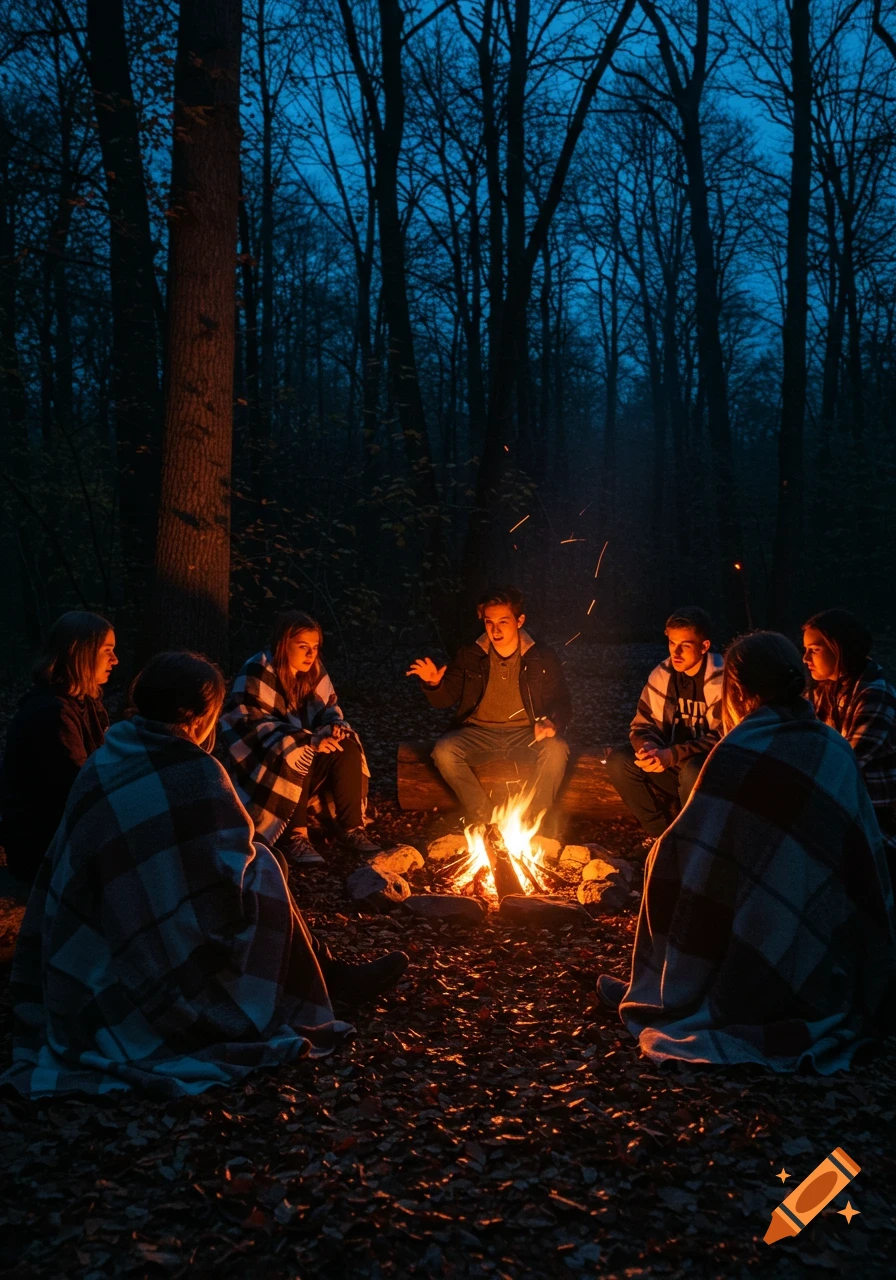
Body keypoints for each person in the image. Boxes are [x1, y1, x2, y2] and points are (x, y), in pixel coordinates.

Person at [0, 651, 408, 1100]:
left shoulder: (108, 757)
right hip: (144, 942)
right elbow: (228, 869)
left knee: (266, 862)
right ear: (198, 717)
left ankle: (329, 971)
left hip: (89, 943)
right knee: (268, 867)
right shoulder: (195, 771)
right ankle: (327, 978)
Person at [596, 631, 896, 1073]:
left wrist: (660, 853)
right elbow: (865, 860)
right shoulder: (834, 746)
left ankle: (670, 988)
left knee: (670, 862)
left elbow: (690, 852)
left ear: (736, 692)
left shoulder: (737, 753)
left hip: (762, 937)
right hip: (831, 953)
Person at [220, 611, 380, 865]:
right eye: (303, 646)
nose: (310, 654)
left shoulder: (314, 671)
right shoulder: (257, 670)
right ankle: (296, 835)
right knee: (297, 749)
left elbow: (330, 709)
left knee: (347, 746)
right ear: (284, 644)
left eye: (314, 647)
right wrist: (306, 740)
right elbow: (248, 724)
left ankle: (351, 828)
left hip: (309, 757)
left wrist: (333, 728)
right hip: (264, 766)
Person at [406, 586, 571, 830]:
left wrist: (551, 722)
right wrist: (433, 684)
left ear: (519, 621)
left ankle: (534, 820)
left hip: (526, 733)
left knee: (556, 750)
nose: (495, 630)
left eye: (503, 621)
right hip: (478, 733)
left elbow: (562, 701)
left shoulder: (541, 656)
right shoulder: (471, 654)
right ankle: (486, 819)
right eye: (489, 622)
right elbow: (444, 700)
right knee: (444, 751)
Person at [0, 611, 117, 885]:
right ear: (80, 652)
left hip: (62, 837)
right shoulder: (52, 713)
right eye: (107, 650)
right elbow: (78, 785)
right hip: (43, 849)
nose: (115, 660)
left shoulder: (83, 704)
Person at [606, 606, 723, 842]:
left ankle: (693, 842)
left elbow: (726, 737)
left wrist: (672, 755)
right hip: (670, 762)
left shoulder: (723, 678)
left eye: (685, 646)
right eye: (671, 643)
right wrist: (648, 747)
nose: (675, 652)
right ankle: (660, 837)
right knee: (619, 762)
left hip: (710, 771)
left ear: (704, 646)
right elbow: (642, 725)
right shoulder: (663, 674)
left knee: (692, 771)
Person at [803, 608, 896, 874]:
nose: (805, 658)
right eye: (805, 650)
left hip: (877, 816)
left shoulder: (875, 695)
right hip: (845, 804)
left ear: (840, 649)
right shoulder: (826, 691)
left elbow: (843, 764)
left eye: (814, 650)